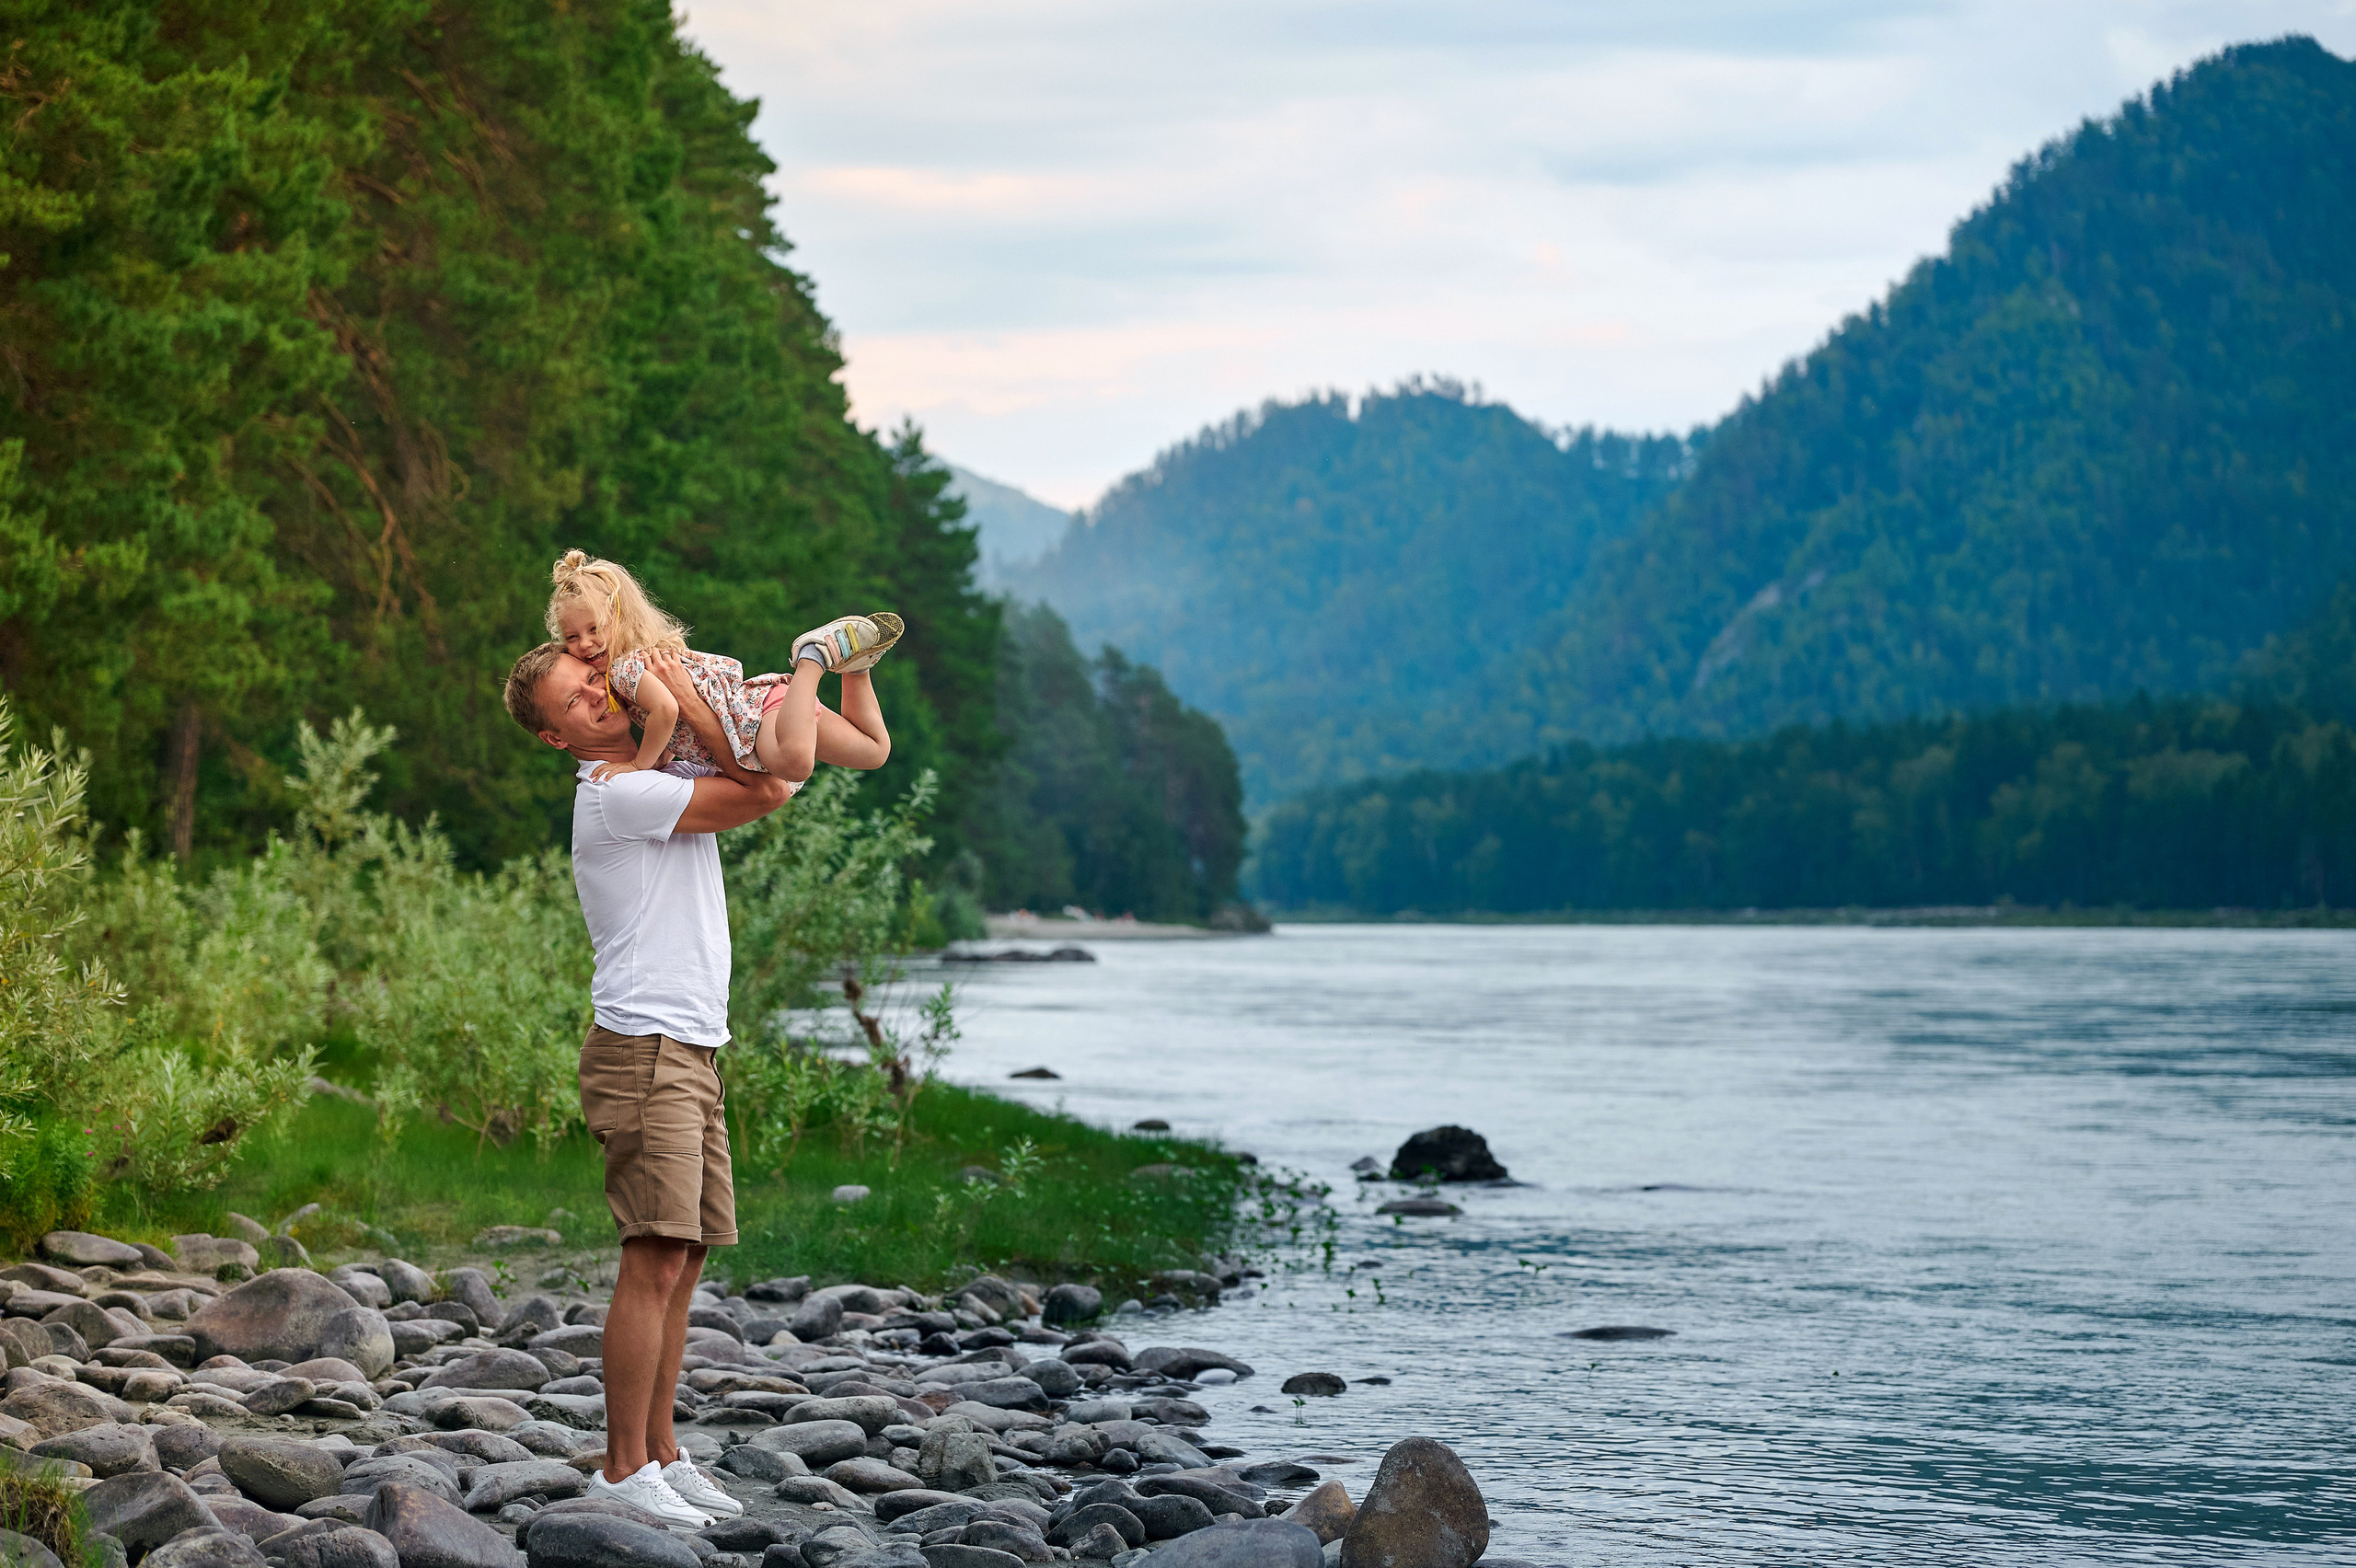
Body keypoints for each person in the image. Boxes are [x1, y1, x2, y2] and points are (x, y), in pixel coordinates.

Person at [500, 640, 789, 1528]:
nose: (598, 697)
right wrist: (711, 706)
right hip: (645, 1048)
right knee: (653, 1255)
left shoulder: (651, 774)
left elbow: (738, 766)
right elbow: (768, 789)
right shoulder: (619, 792)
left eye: (595, 680)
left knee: (687, 1253)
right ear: (558, 739)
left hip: (692, 1046)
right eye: (577, 702)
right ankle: (624, 1472)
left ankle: (663, 1452)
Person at [546, 549, 895, 784]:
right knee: (874, 751)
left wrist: (640, 765)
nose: (585, 643)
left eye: (594, 628)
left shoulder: (625, 669)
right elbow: (673, 719)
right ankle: (855, 666)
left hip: (753, 718)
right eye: (572, 636)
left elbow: (666, 710)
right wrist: (666, 756)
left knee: (795, 764)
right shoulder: (647, 656)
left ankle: (812, 658)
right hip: (769, 703)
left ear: (619, 619)